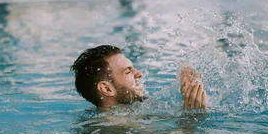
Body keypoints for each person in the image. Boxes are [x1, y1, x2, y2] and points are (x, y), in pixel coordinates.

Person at [70, 45, 208, 109]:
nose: (139, 74)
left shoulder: (124, 113)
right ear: (106, 88)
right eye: (128, 72)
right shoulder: (115, 126)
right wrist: (192, 117)